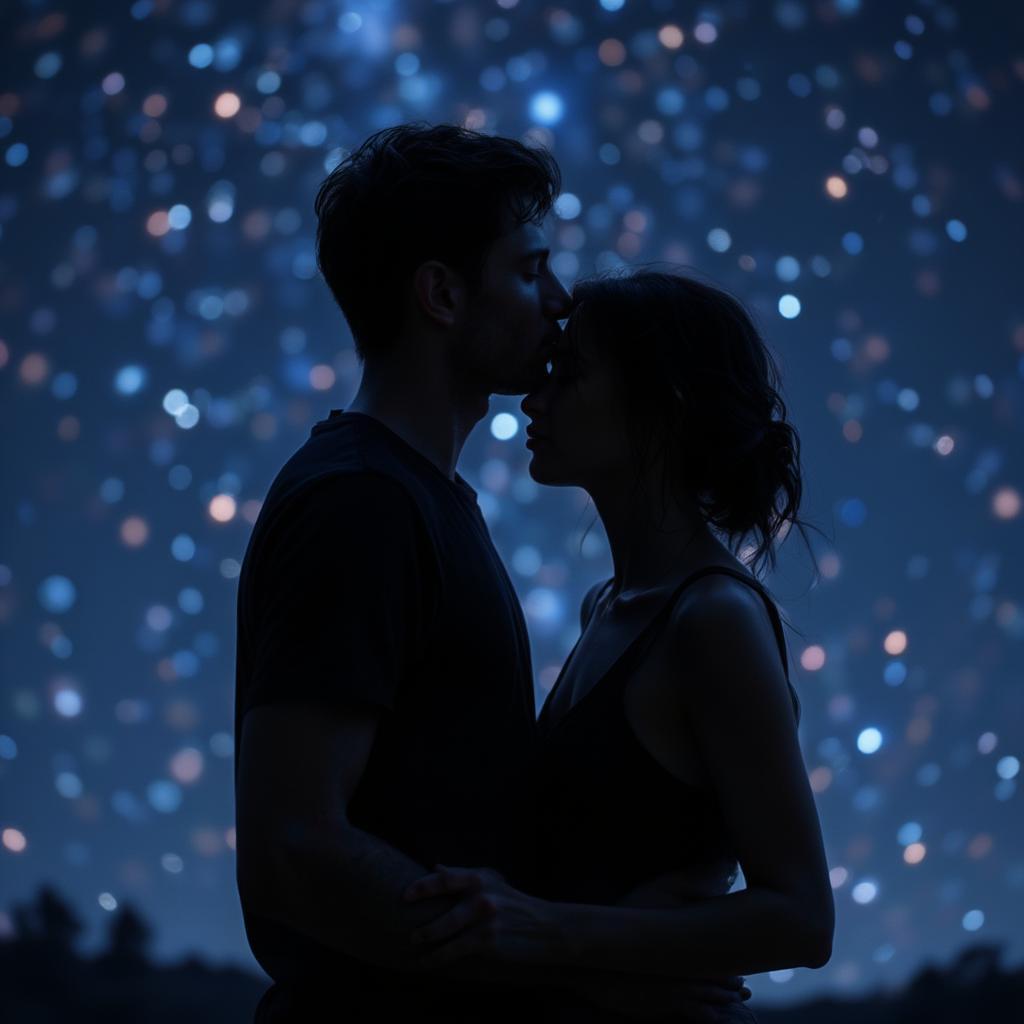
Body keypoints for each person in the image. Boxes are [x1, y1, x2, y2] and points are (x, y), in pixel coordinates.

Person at [233, 124, 748, 1023]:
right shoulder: (361, 503)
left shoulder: (427, 502)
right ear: (440, 293)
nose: (556, 302)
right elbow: (293, 847)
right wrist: (561, 963)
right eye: (526, 270)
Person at [402, 269, 836, 1021]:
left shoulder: (714, 620)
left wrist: (550, 934)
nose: (533, 402)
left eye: (567, 377)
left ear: (660, 404)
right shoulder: (603, 607)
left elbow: (802, 918)